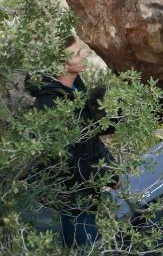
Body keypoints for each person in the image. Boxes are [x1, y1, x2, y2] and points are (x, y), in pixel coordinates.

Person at [27, 35, 111, 248]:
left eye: (82, 49)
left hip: (82, 187)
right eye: (77, 53)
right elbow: (67, 158)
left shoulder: (75, 87)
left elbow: (90, 135)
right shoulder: (51, 104)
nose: (85, 54)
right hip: (72, 190)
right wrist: (107, 174)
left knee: (75, 240)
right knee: (85, 245)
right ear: (61, 64)